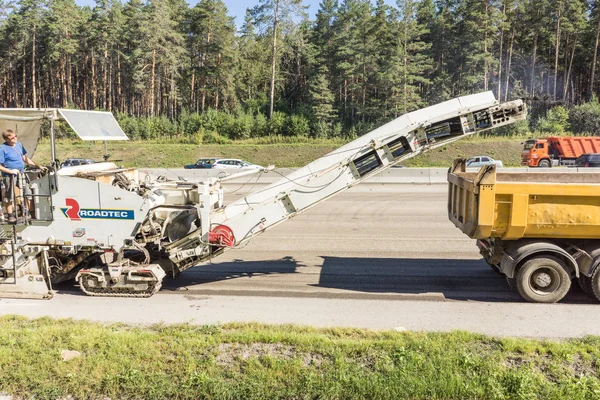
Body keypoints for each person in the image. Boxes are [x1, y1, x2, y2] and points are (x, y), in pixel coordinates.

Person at [0, 129, 44, 223]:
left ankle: (27, 213)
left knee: (27, 192)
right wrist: (10, 171)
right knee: (9, 195)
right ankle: (11, 216)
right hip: (9, 175)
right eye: (12, 138)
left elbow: (25, 158)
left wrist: (38, 165)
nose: (15, 138)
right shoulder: (2, 148)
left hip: (21, 173)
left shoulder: (19, 145)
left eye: (15, 136)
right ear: (6, 139)